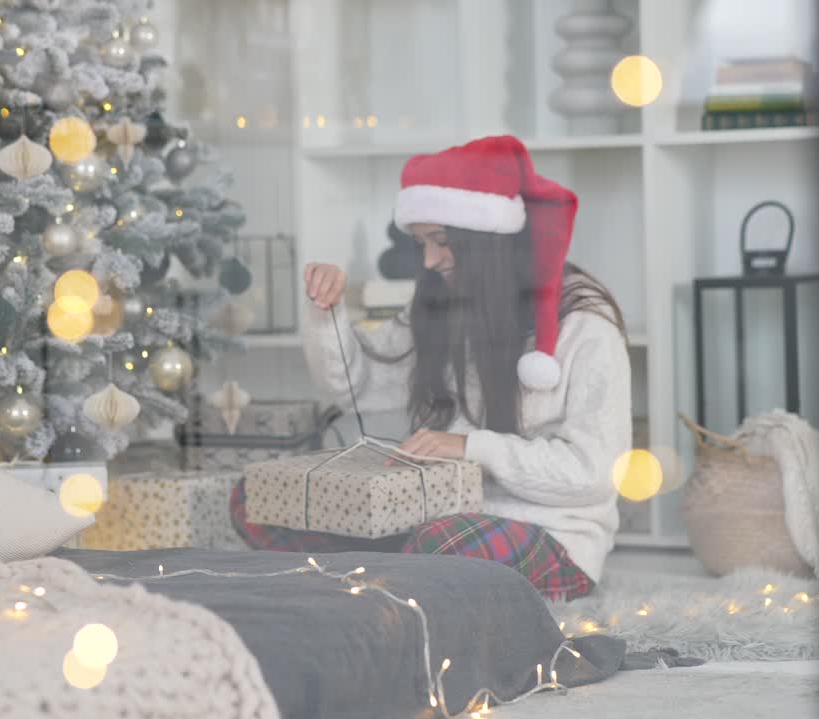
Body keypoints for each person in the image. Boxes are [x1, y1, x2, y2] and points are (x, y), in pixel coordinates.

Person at [230, 136, 632, 600]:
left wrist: (470, 447)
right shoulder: (445, 303)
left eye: (442, 242)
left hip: (551, 535)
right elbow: (354, 385)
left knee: (440, 545)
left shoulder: (585, 326)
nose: (428, 260)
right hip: (431, 519)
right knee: (257, 498)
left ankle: (373, 580)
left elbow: (593, 474)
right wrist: (328, 311)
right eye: (421, 243)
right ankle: (386, 581)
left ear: (487, 239)